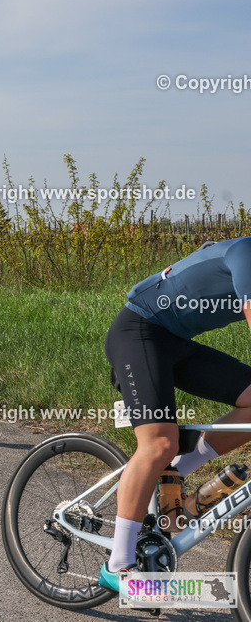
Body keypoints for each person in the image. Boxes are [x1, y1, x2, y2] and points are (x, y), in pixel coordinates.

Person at [99, 237, 251, 592]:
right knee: (159, 443)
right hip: (138, 332)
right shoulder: (246, 253)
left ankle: (175, 472)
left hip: (175, 342)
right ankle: (117, 565)